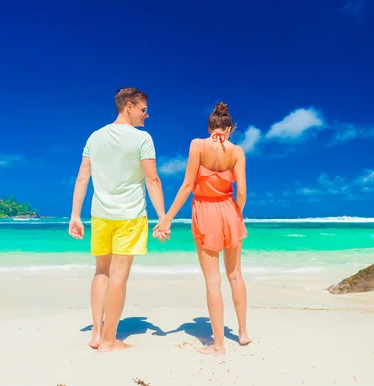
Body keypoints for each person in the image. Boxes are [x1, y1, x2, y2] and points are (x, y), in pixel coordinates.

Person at [68, 87, 168, 352]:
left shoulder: (94, 137)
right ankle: (110, 341)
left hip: (100, 215)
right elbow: (152, 179)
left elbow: (82, 177)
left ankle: (97, 334)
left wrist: (75, 215)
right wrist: (163, 217)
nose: (147, 115)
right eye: (144, 109)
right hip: (130, 216)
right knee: (119, 277)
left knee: (101, 271)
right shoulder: (142, 139)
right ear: (129, 106)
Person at [154, 101, 251, 356]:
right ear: (230, 128)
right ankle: (242, 333)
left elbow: (187, 186)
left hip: (205, 211)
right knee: (235, 275)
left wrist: (167, 219)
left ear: (210, 126)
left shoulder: (198, 145)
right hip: (229, 210)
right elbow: (241, 191)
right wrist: (236, 213)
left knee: (212, 280)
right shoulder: (237, 151)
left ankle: (218, 344)